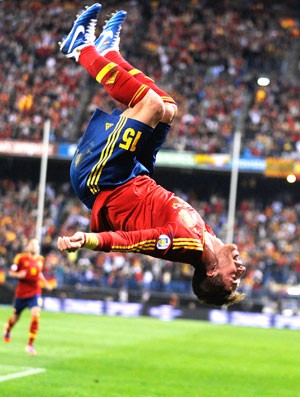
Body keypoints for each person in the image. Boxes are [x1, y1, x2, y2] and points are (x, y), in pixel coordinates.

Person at [57, 3, 246, 306]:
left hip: (104, 181)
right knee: (167, 108)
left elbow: (131, 242)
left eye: (233, 277)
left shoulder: (182, 244)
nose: (241, 269)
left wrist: (90, 240)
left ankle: (80, 49)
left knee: (151, 106)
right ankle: (110, 53)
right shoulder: (207, 234)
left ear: (211, 271)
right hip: (134, 172)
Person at [3, 238, 53, 355]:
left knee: (36, 314)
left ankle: (30, 345)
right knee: (15, 318)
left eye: (36, 244)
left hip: (35, 292)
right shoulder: (20, 258)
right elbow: (11, 272)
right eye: (32, 244)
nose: (35, 246)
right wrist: (18, 274)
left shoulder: (40, 259)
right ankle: (8, 329)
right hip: (21, 293)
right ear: (28, 247)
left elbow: (39, 273)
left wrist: (46, 283)